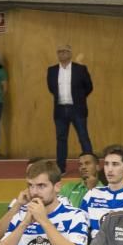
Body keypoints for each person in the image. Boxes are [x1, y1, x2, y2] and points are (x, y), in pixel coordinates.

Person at [46, 44, 94, 172]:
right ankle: (61, 168)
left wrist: (80, 99)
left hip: (77, 109)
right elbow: (51, 88)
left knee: (83, 137)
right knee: (61, 139)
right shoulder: (52, 70)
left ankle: (90, 166)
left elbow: (89, 87)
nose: (62, 54)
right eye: (59, 51)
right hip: (60, 110)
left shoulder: (81, 69)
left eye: (65, 51)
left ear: (70, 53)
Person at [80, 145, 123, 238]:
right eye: (106, 164)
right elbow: (80, 228)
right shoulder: (92, 195)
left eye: (115, 164)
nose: (109, 169)